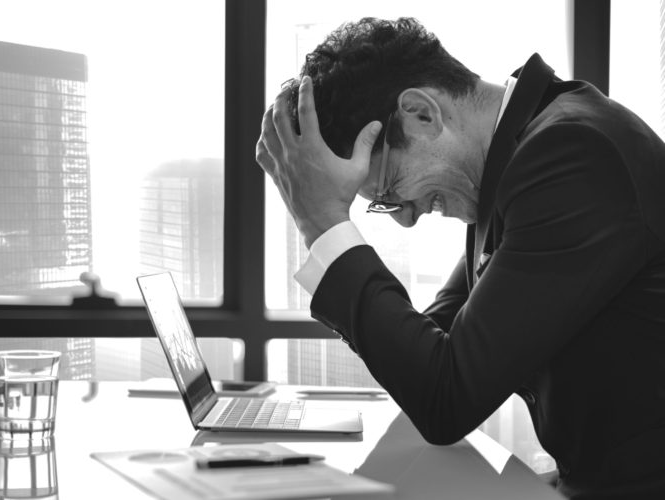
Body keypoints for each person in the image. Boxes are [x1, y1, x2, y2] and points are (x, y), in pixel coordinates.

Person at [256, 17, 665, 500]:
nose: (405, 221)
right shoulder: (514, 162)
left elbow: (444, 398)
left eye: (389, 191)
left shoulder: (571, 155)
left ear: (420, 113)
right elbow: (439, 342)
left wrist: (321, 221)